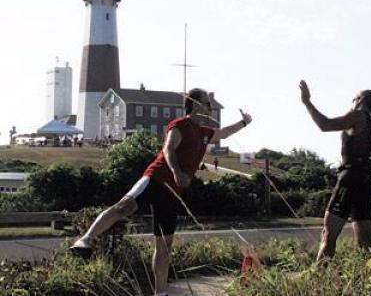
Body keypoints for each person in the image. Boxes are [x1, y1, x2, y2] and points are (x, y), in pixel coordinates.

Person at [70, 88, 252, 296]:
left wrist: (244, 122)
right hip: (156, 179)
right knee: (124, 206)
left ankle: (161, 292)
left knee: (165, 244)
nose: (211, 108)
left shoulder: (204, 133)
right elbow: (168, 149)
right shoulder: (179, 125)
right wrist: (176, 172)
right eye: (208, 103)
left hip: (173, 194)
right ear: (195, 103)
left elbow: (224, 133)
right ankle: (87, 239)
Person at [299, 80, 371, 260]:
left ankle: (318, 279)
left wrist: (307, 102)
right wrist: (365, 171)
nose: (351, 101)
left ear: (360, 99)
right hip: (366, 182)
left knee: (328, 234)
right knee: (365, 240)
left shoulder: (357, 115)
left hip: (349, 179)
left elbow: (325, 125)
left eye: (353, 98)